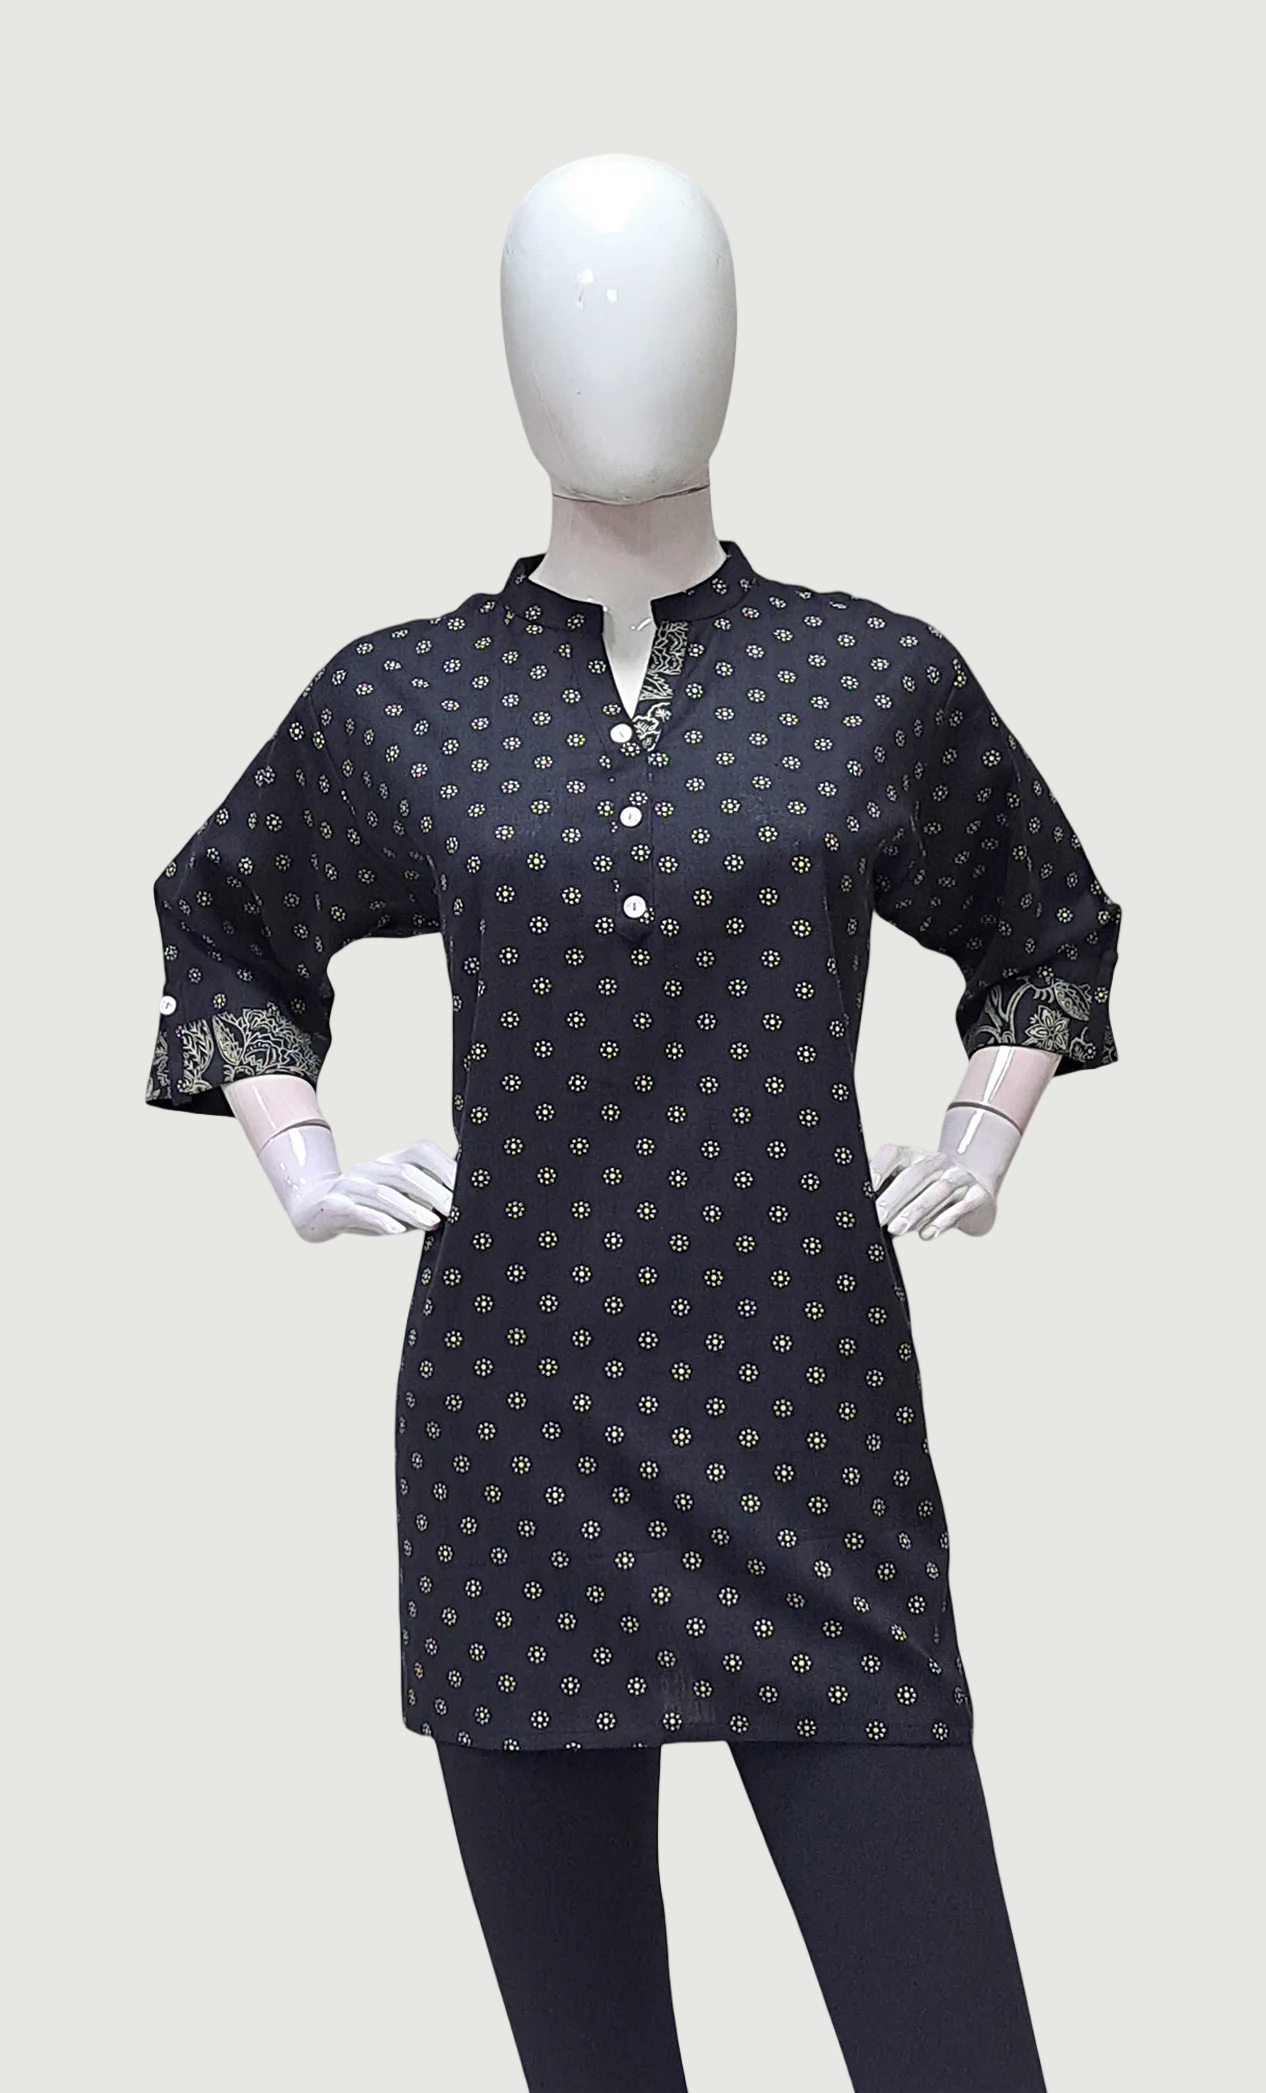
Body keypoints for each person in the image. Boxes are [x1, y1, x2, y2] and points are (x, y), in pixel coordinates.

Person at [145, 154, 1121, 2092]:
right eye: (568, 316)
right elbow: (224, 918)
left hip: (808, 1399)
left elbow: (1046, 921)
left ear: (737, 347)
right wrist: (302, 1160)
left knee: (949, 2045)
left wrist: (985, 1122)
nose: (619, 362)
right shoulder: (401, 692)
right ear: (505, 362)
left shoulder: (873, 671)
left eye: (667, 310)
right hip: (514, 1420)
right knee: (591, 2056)